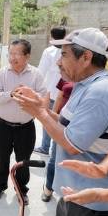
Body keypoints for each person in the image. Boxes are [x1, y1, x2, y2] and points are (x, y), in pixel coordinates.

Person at [13, 28, 108, 216]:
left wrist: (40, 113)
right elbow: (70, 124)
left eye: (64, 55)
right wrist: (45, 111)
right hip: (74, 192)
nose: (58, 62)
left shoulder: (100, 92)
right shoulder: (85, 85)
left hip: (89, 201)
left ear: (86, 57)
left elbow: (73, 143)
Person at [0, 39, 47, 202]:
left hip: (25, 127)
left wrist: (31, 97)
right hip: (3, 125)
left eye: (16, 54)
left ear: (27, 56)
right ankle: (0, 186)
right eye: (10, 53)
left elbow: (43, 97)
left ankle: (21, 189)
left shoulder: (35, 74)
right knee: (2, 157)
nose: (12, 57)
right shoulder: (2, 73)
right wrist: (11, 94)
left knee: (23, 160)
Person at [42, 74, 75, 202]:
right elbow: (59, 96)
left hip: (78, 124)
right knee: (54, 158)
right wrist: (52, 116)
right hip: (61, 121)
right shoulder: (67, 75)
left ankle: (69, 192)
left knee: (72, 161)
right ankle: (48, 188)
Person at [35, 26, 66, 155]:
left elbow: (41, 70)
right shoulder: (67, 50)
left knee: (47, 118)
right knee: (61, 121)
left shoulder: (49, 51)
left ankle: (45, 146)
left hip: (51, 91)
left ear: (52, 36)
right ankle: (56, 148)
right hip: (65, 91)